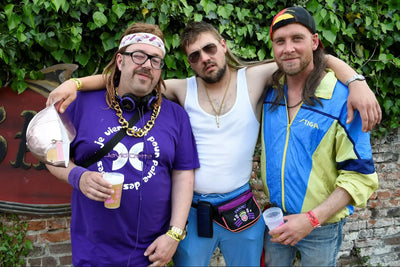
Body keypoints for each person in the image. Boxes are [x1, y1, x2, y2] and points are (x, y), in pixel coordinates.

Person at [47, 21, 381, 266]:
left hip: (242, 210)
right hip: (193, 213)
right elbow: (133, 77)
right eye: (194, 56)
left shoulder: (255, 77)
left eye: (209, 48)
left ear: (222, 45)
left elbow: (309, 57)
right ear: (188, 63)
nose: (204, 58)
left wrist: (356, 81)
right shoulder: (180, 89)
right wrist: (77, 84)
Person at [45, 22, 200, 267]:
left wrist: (174, 234)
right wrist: (78, 177)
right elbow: (52, 157)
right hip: (93, 252)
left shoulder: (176, 116)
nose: (147, 64)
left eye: (155, 60)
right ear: (120, 61)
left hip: (153, 254)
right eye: (139, 56)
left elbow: (183, 174)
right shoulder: (80, 104)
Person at [261, 6, 379, 266]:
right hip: (275, 221)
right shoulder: (269, 93)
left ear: (315, 41)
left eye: (297, 38)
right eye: (279, 41)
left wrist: (311, 219)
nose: (288, 48)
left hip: (320, 228)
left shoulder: (343, 100)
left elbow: (360, 176)